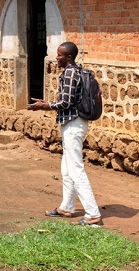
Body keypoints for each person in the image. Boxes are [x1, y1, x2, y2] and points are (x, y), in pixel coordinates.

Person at [27, 41, 102, 225]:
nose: (57, 58)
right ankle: (67, 207)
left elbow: (66, 102)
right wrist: (49, 103)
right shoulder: (77, 71)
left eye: (60, 55)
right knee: (66, 169)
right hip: (73, 123)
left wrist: (46, 106)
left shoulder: (70, 72)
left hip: (73, 124)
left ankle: (93, 213)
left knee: (76, 169)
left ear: (69, 57)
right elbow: (68, 100)